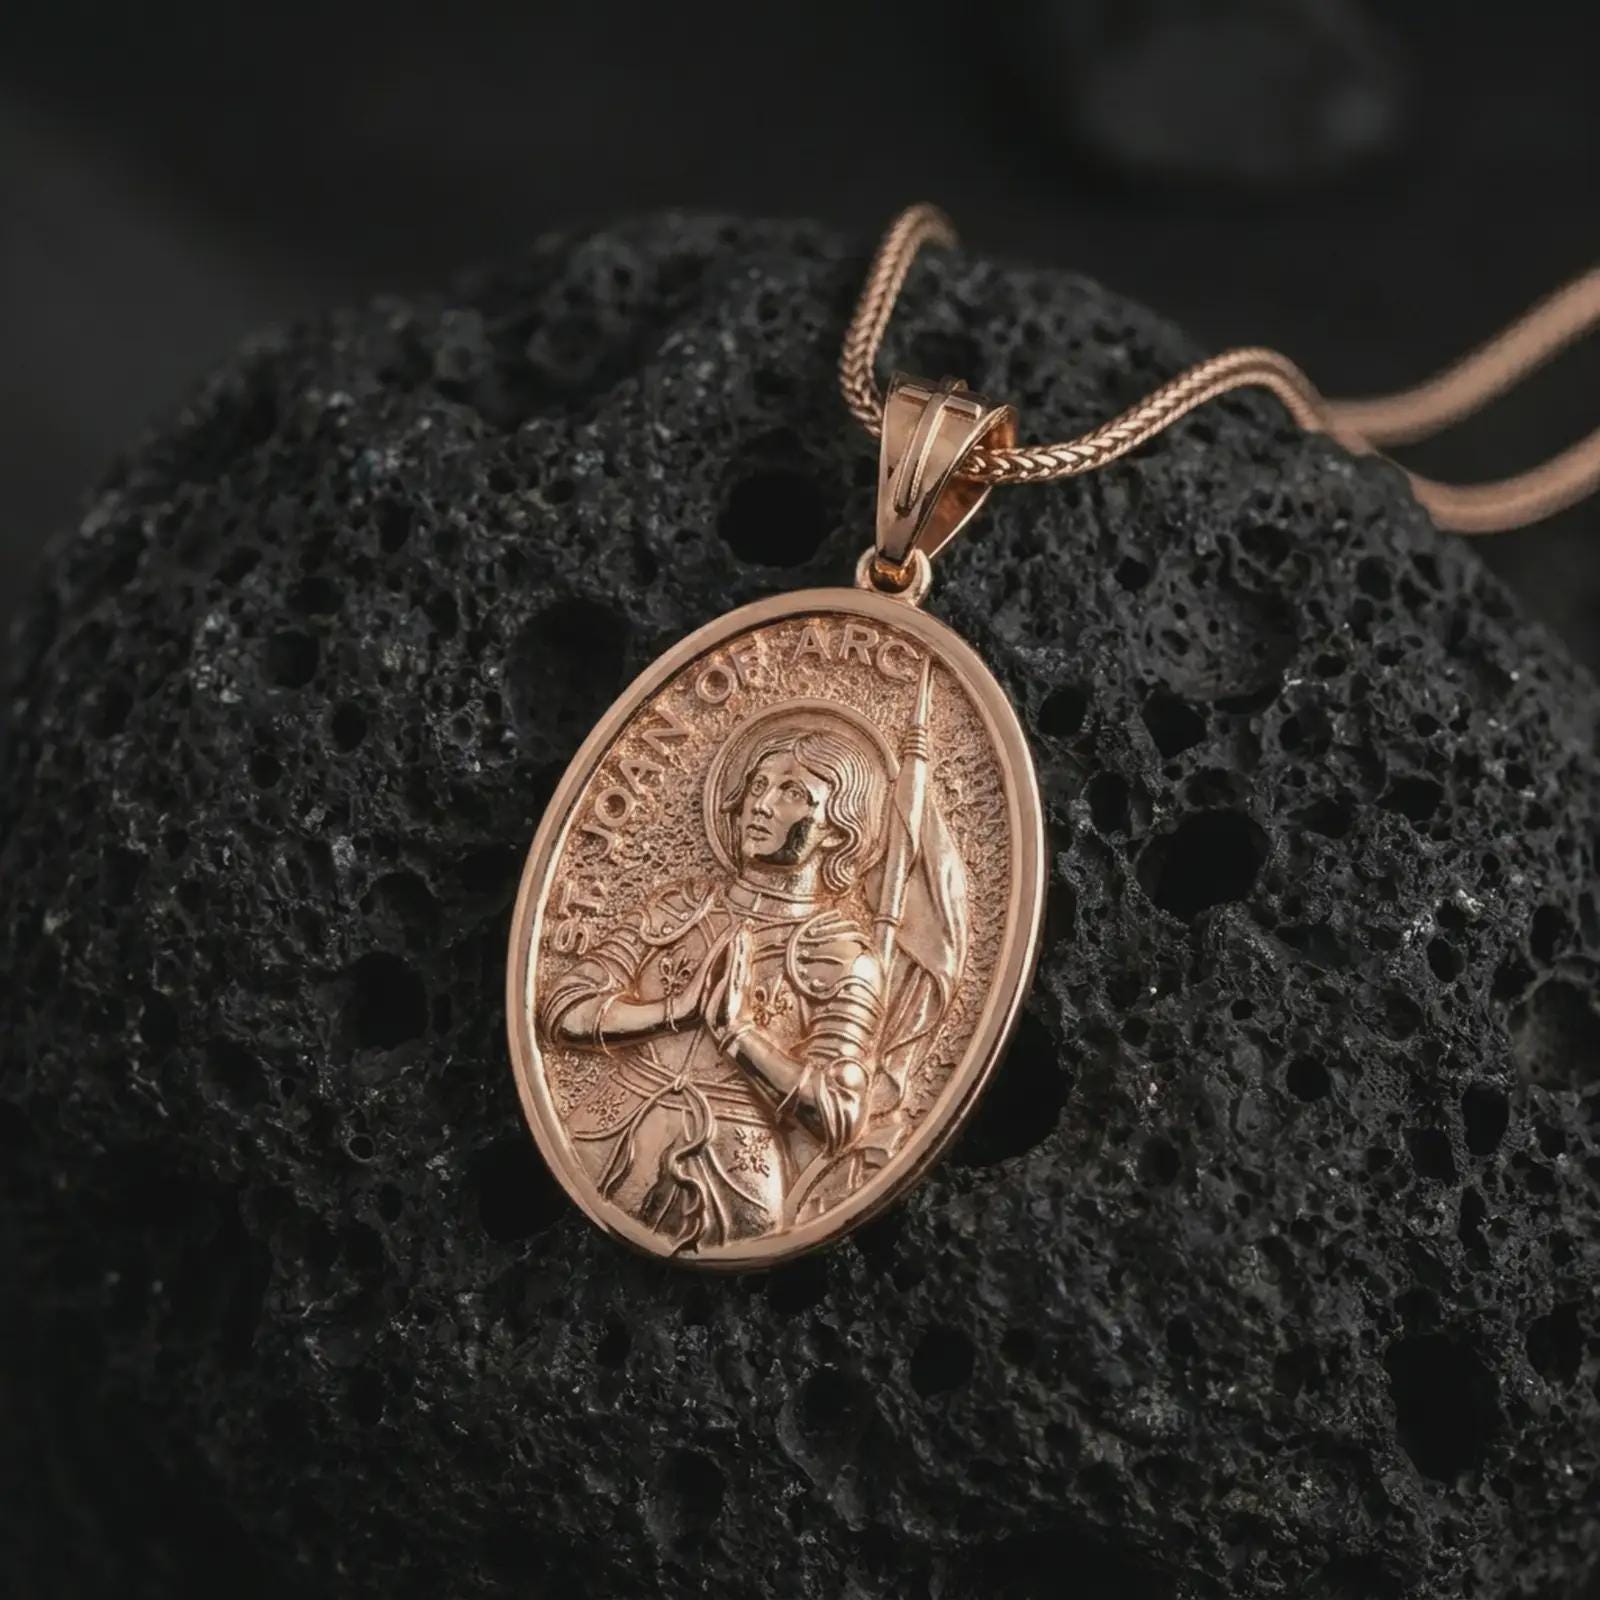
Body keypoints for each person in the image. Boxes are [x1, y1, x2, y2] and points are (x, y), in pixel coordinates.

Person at [540, 714, 894, 1251]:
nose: (762, 803)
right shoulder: (679, 907)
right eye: (758, 784)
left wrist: (736, 1035)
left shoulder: (841, 954)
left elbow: (840, 1116)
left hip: (733, 1180)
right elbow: (562, 1008)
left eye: (793, 792)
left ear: (837, 830)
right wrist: (672, 1012)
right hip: (597, 1134)